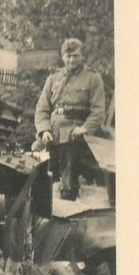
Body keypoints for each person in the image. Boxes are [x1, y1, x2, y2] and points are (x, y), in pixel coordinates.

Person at [34, 38, 106, 201]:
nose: (71, 60)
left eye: (75, 56)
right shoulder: (53, 79)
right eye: (68, 56)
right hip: (54, 128)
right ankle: (43, 198)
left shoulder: (93, 78)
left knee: (68, 148)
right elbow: (42, 109)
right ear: (62, 57)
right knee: (37, 156)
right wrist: (44, 130)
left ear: (82, 57)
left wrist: (85, 128)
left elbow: (98, 111)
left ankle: (68, 192)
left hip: (77, 127)